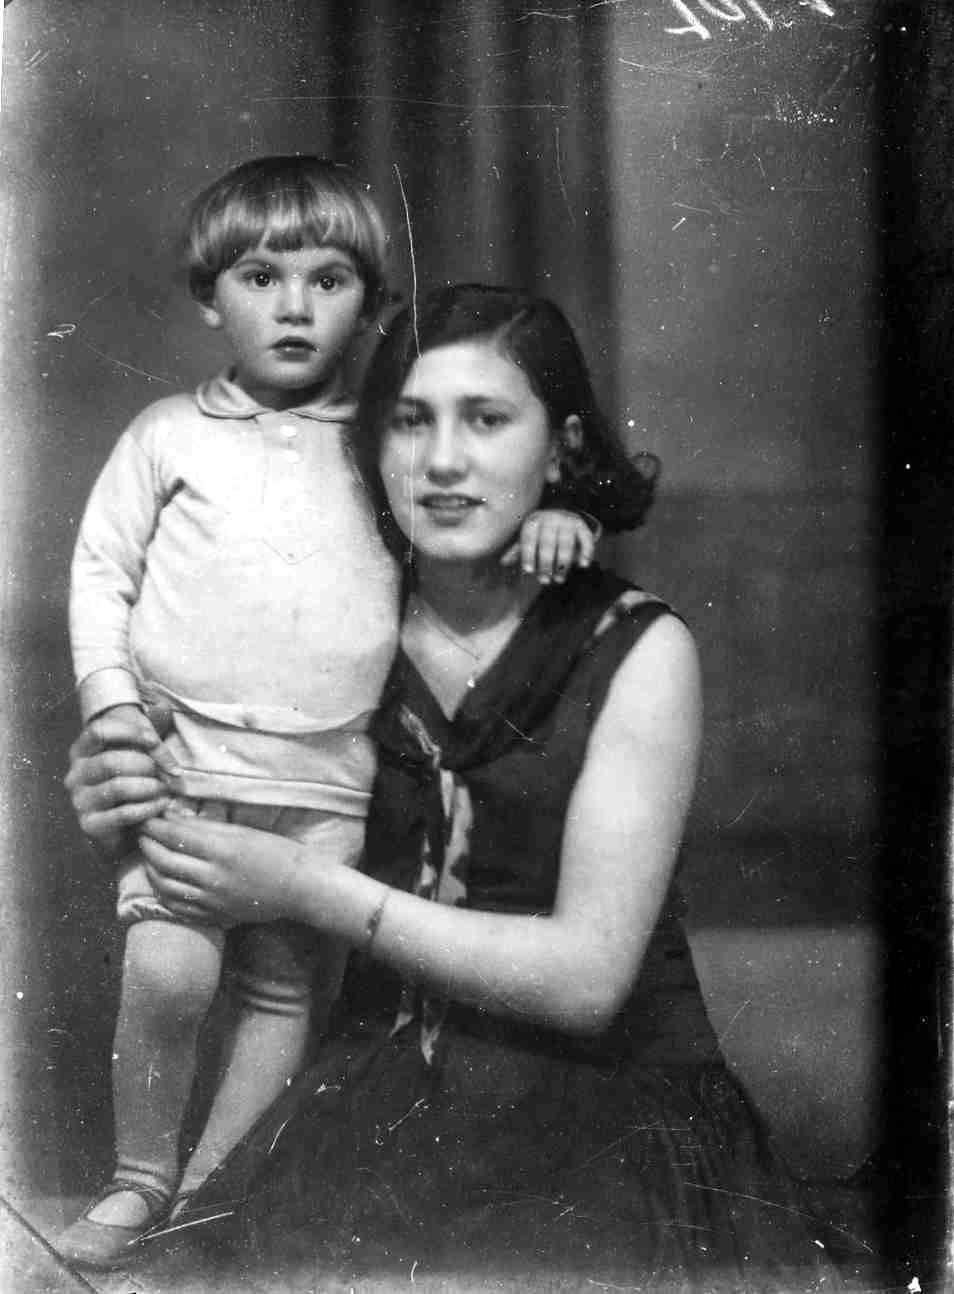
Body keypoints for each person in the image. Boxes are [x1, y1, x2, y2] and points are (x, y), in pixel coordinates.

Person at [64, 284, 839, 1292]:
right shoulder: (331, 635)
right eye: (410, 421)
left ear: (559, 448)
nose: (440, 461)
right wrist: (121, 792)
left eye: (486, 420)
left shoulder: (639, 649)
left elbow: (588, 979)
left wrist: (306, 887)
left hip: (605, 1110)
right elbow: (209, 785)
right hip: (374, 1095)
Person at [60, 168, 597, 1272]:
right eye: (262, 278)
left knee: (282, 991)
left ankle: (210, 1197)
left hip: (329, 781)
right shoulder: (166, 436)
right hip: (186, 762)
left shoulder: (382, 445)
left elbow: (463, 541)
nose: (296, 306)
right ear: (210, 298)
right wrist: (112, 707)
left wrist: (554, 519)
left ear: (370, 303)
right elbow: (101, 575)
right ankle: (139, 1178)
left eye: (330, 279)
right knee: (169, 972)